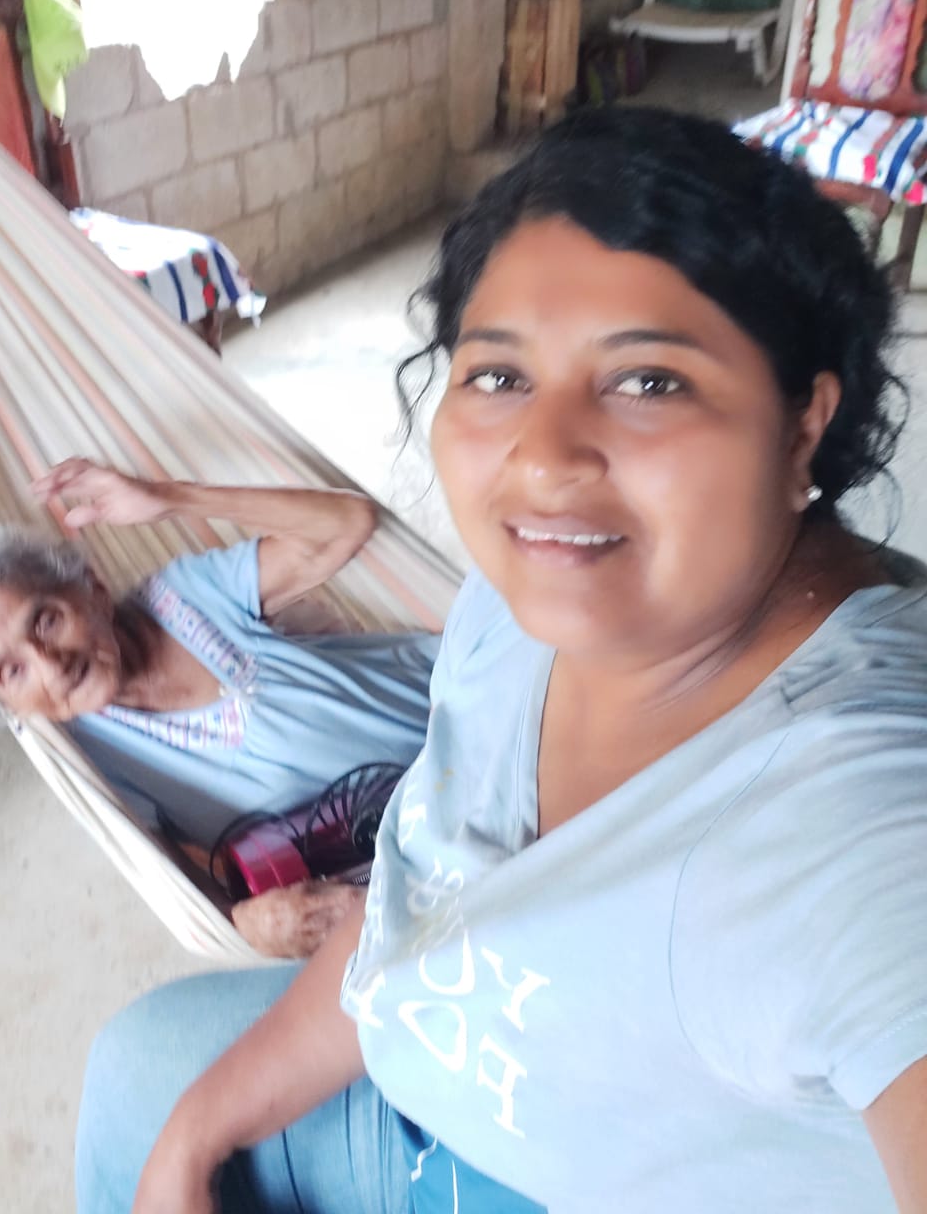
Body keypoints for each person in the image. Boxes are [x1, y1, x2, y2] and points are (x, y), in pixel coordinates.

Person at [74, 107, 927, 1214]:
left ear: (804, 418)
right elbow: (421, 919)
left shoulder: (859, 811)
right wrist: (197, 1130)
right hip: (429, 1099)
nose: (542, 460)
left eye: (650, 381)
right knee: (140, 1073)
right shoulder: (518, 611)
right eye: (498, 377)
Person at [0, 467, 439, 957]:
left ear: (92, 592)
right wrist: (246, 923)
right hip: (418, 847)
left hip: (464, 711)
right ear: (8, 705)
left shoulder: (186, 597)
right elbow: (185, 889)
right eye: (11, 671)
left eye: (46, 621)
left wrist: (174, 497)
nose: (51, 665)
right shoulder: (94, 762)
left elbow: (349, 522)